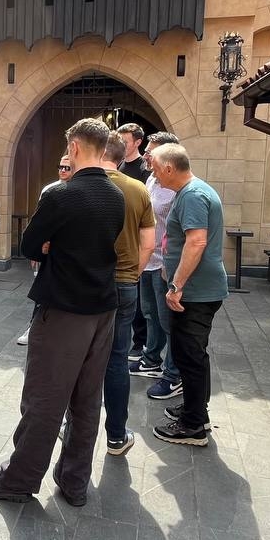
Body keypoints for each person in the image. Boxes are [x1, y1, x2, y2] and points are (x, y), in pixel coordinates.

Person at [0, 118, 124, 507]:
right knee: (87, 399)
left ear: (74, 147)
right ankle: (74, 481)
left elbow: (29, 245)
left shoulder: (61, 195)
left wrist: (51, 246)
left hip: (64, 309)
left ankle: (19, 478)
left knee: (44, 397)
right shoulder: (116, 195)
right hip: (103, 310)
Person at [149, 143, 228, 447]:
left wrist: (176, 285)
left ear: (169, 168)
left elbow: (196, 242)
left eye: (156, 168)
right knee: (192, 354)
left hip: (194, 292)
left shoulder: (193, 195)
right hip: (196, 290)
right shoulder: (191, 192)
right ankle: (197, 411)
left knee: (190, 356)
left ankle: (193, 426)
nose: (154, 175)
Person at [99, 133, 155, 456]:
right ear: (122, 158)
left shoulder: (79, 185)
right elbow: (149, 243)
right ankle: (116, 436)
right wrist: (133, 273)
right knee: (117, 358)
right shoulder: (138, 189)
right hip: (124, 282)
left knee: (79, 357)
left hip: (88, 285)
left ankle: (72, 427)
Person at [130, 132, 184, 403]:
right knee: (149, 313)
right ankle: (151, 359)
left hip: (165, 262)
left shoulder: (177, 187)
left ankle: (173, 374)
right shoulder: (152, 178)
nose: (146, 155)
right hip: (148, 258)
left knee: (168, 320)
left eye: (151, 152)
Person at [17, 155, 72, 346]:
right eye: (60, 167)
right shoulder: (50, 190)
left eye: (67, 167)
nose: (63, 170)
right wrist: (37, 249)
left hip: (66, 253)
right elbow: (40, 221)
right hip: (47, 251)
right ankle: (33, 327)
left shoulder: (77, 190)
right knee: (41, 291)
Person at [117, 123, 150, 361]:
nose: (121, 145)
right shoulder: (118, 165)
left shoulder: (143, 170)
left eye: (125, 141)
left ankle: (140, 343)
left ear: (138, 142)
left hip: (136, 239)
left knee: (138, 301)